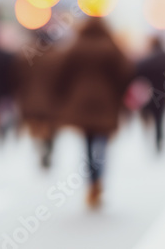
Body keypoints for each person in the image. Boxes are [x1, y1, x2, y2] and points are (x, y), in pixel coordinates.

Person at [54, 17, 130, 209]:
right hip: (106, 102)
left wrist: (66, 94)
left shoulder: (77, 46)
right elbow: (126, 71)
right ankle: (99, 179)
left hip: (82, 103)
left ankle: (91, 182)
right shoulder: (110, 46)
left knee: (87, 143)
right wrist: (118, 95)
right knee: (103, 141)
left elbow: (61, 72)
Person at [13, 29, 61, 170]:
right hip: (53, 100)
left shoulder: (26, 56)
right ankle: (47, 148)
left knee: (35, 127)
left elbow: (17, 78)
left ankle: (40, 146)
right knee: (51, 128)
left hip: (30, 99)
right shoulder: (57, 56)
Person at [136, 36, 165, 154]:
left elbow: (137, 70)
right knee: (160, 120)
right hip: (163, 94)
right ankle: (159, 142)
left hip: (149, 93)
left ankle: (148, 138)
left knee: (147, 117)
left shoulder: (148, 59)